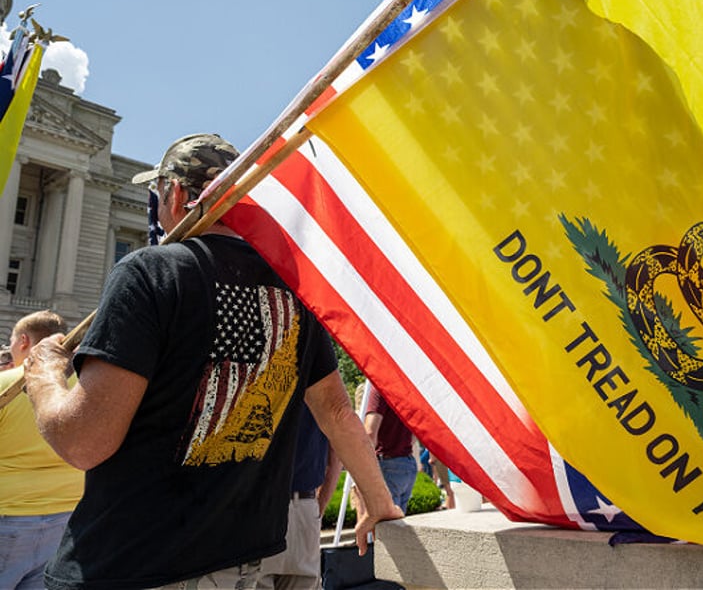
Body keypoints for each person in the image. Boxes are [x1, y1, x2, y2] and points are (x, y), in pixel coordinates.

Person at [22, 133, 402, 590]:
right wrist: (378, 501)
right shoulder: (294, 293)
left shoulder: (150, 272)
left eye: (158, 195)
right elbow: (338, 412)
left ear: (177, 194)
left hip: (137, 563)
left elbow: (83, 441)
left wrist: (42, 377)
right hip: (247, 562)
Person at [0, 311, 83, 590]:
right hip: (65, 517)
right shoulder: (84, 388)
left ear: (23, 341)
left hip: (7, 514)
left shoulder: (5, 383)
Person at [259, 407, 341, 590]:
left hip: (257, 507)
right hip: (303, 506)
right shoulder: (320, 381)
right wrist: (317, 508)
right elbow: (337, 450)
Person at [363, 386, 418, 512]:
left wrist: (364, 467)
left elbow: (370, 433)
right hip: (407, 462)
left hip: (387, 462)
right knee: (397, 523)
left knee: (384, 525)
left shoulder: (379, 389)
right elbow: (416, 432)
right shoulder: (410, 390)